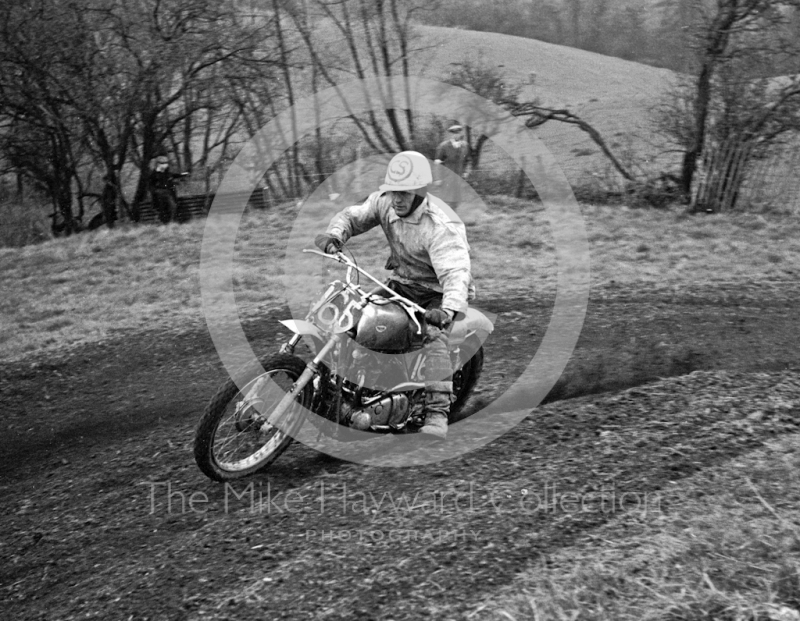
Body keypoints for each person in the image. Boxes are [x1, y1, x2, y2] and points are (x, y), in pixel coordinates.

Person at [315, 151, 475, 440]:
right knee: (357, 319)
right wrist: (336, 235)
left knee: (434, 338)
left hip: (435, 294)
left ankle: (437, 412)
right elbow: (355, 216)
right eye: (393, 191)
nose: (397, 198)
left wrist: (447, 311)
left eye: (405, 192)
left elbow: (456, 274)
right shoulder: (385, 202)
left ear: (420, 192)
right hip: (401, 283)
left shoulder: (441, 226)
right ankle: (347, 391)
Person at [434, 122, 471, 209]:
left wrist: (466, 172)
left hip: (459, 177)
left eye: (458, 133)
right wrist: (438, 178)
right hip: (446, 178)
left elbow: (468, 160)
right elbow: (437, 163)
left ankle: (453, 219)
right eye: (453, 133)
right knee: (446, 200)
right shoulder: (443, 146)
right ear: (450, 134)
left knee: (456, 200)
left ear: (461, 133)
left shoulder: (465, 146)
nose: (456, 135)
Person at [149, 155, 183, 224]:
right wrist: (156, 191)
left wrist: (181, 175)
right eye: (162, 163)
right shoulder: (154, 174)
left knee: (173, 206)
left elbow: (172, 176)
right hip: (159, 194)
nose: (165, 165)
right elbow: (151, 185)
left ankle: (172, 222)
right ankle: (162, 222)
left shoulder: (166, 173)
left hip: (168, 193)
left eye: (166, 163)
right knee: (161, 208)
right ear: (158, 164)